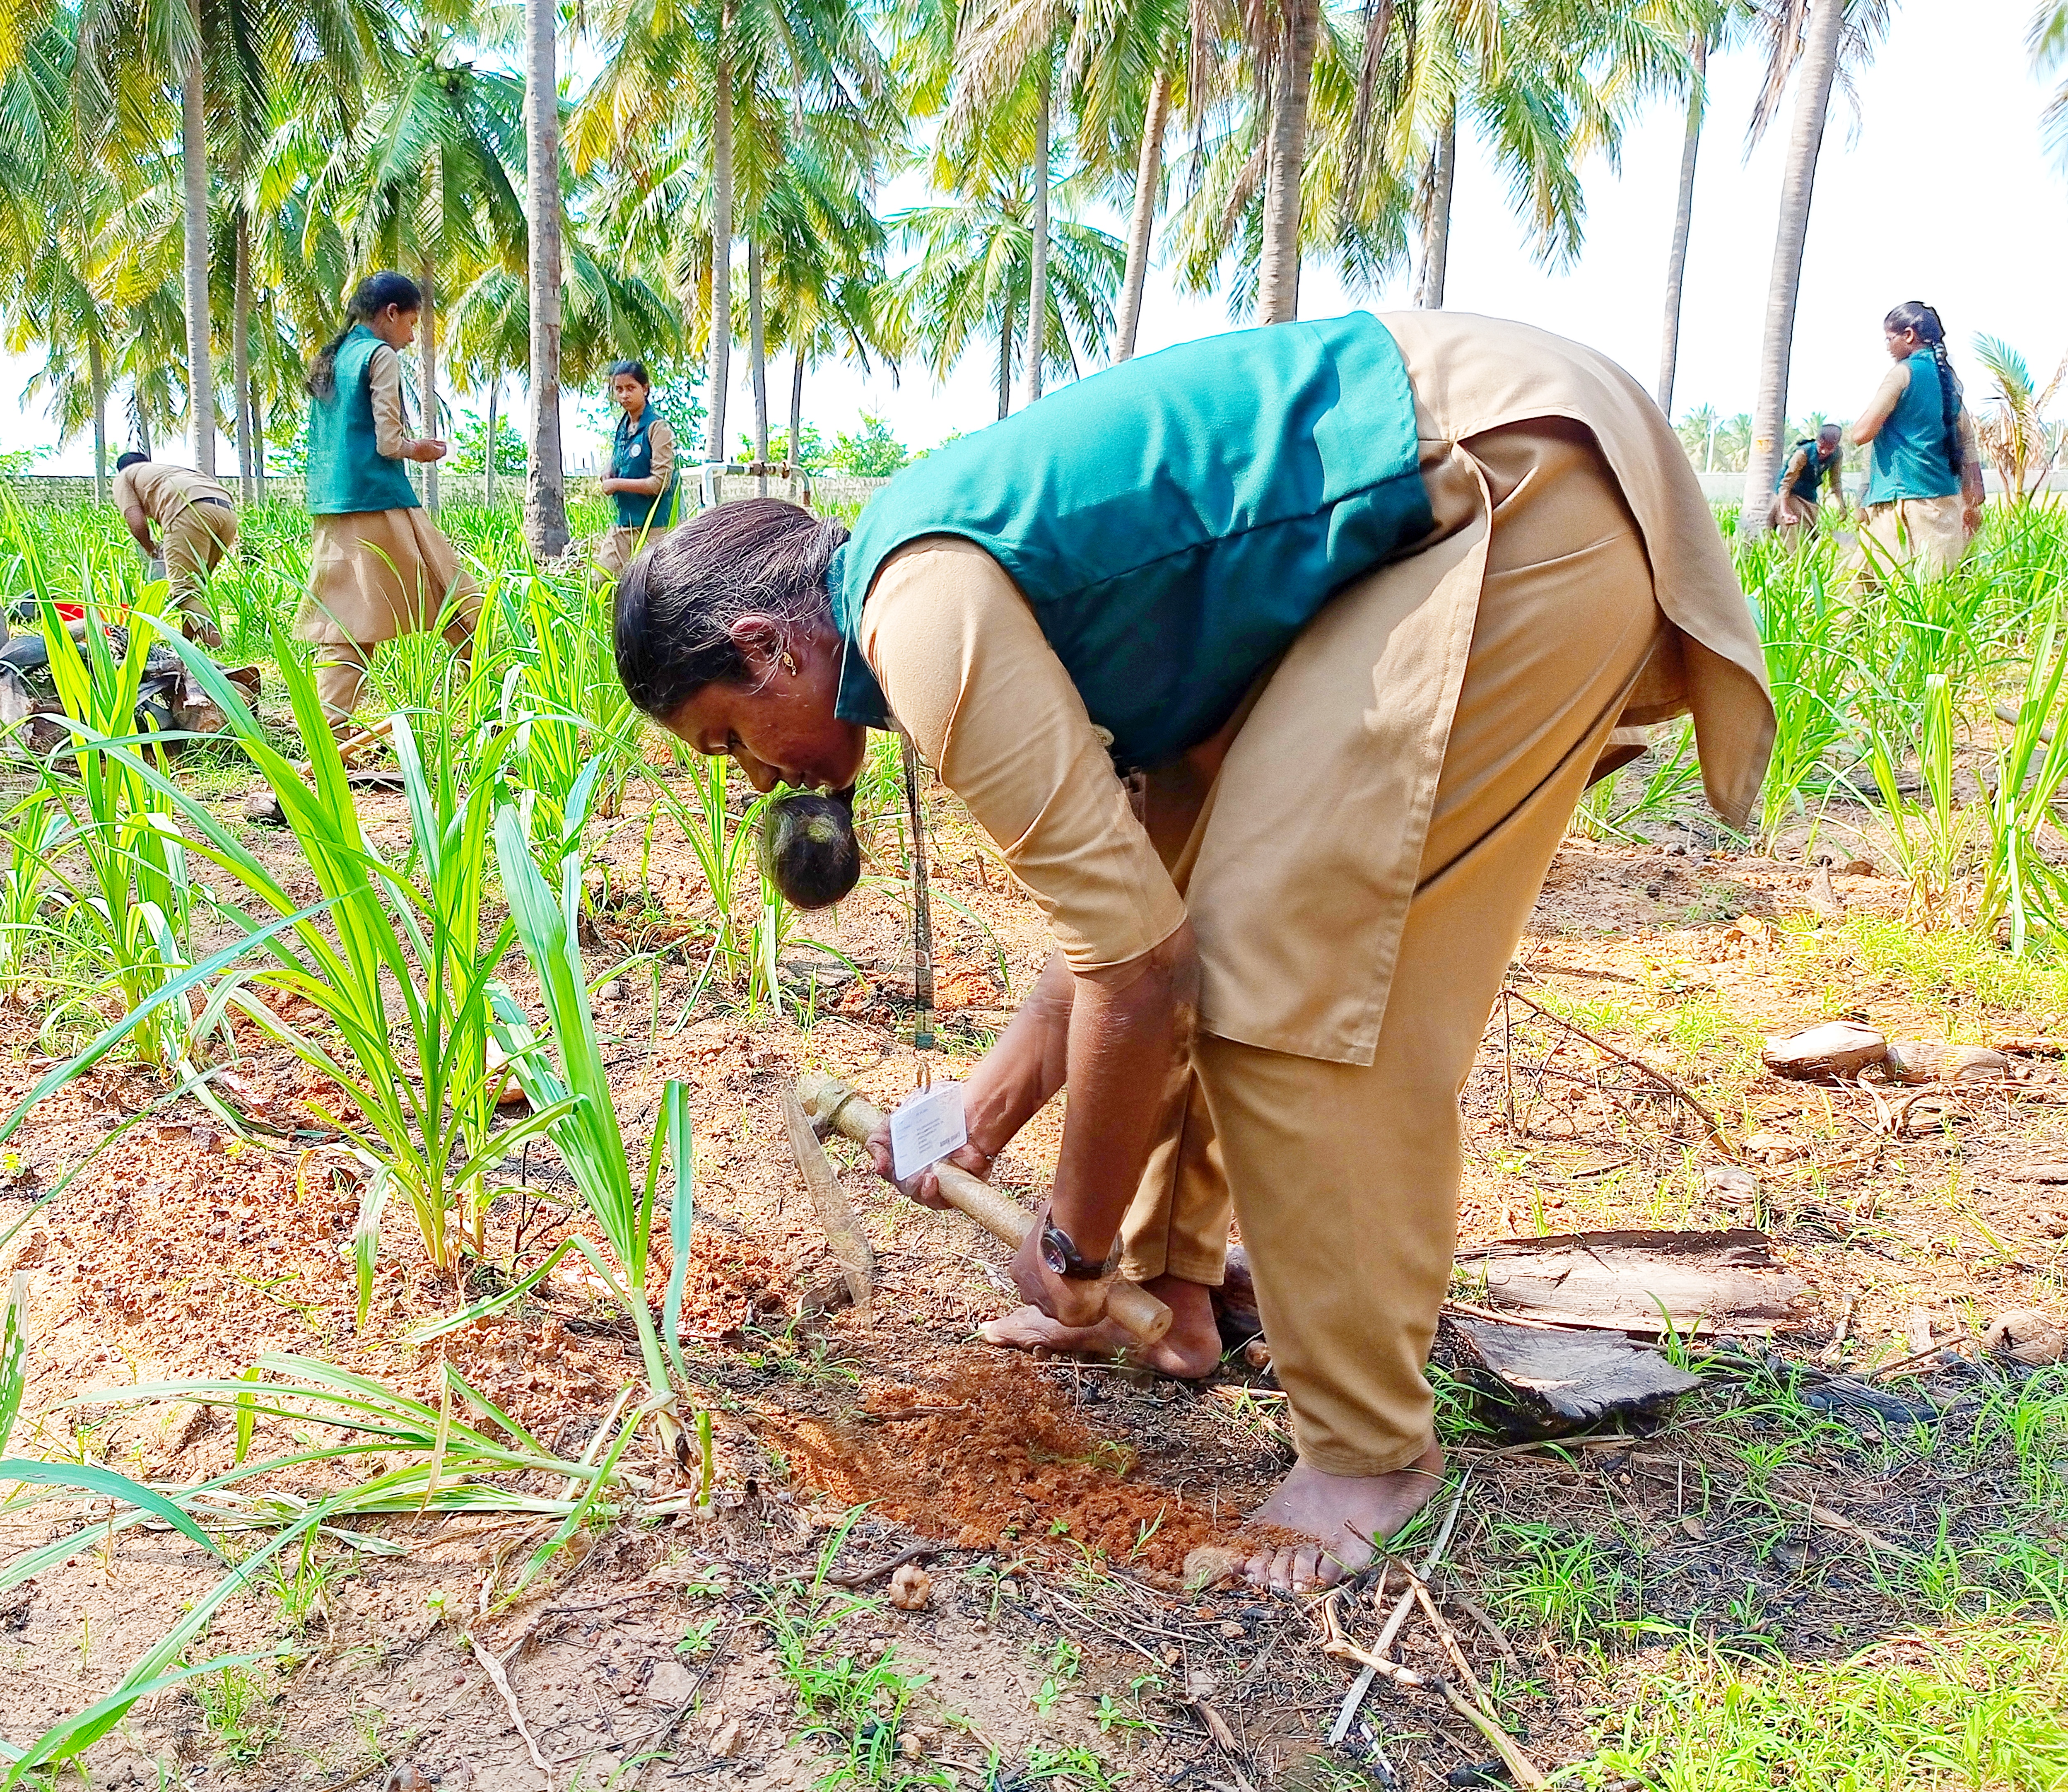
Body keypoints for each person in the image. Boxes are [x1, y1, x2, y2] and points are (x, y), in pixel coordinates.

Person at [612, 311, 1776, 1594]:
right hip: (1491, 468)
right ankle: (1174, 1302)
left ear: (765, 646)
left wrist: (1070, 1243)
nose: (753, 775)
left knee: (1294, 961)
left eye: (729, 738)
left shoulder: (918, 615)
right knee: (1222, 905)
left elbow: (1137, 975)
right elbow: (1136, 909)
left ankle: (1364, 1452)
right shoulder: (937, 590)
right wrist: (983, 1118)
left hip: (1509, 481)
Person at [296, 270, 481, 736]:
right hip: (381, 503)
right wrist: (419, 449)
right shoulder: (380, 356)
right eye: (412, 322)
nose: (412, 335)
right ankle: (494, 711)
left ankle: (327, 732)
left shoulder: (334, 358)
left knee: (347, 627)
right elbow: (387, 441)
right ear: (391, 313)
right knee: (458, 600)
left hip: (333, 509)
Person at [1849, 301, 1985, 579]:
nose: (1888, 347)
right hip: (1943, 503)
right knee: (1934, 591)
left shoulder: (1902, 374)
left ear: (1909, 336)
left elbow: (1861, 434)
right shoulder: (1948, 379)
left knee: (1872, 591)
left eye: (1890, 339)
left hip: (1904, 501)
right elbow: (1966, 436)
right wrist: (1974, 488)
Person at [112, 451, 236, 646]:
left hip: (189, 509)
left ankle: (220, 646)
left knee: (182, 591)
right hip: (227, 511)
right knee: (195, 587)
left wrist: (150, 548)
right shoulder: (163, 471)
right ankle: (187, 644)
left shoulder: (125, 475)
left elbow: (135, 521)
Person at [595, 361, 680, 580]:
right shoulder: (623, 427)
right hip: (624, 525)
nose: (624, 395)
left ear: (645, 389)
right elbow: (618, 458)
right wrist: (609, 470)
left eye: (631, 388)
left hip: (654, 529)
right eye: (619, 389)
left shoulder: (657, 428)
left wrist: (617, 485)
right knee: (601, 583)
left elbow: (659, 483)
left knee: (649, 592)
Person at [1768, 424, 1846, 535]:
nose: (1824, 452)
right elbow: (1786, 484)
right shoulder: (1802, 453)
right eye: (1822, 447)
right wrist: (1785, 511)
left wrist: (1841, 505)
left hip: (1809, 495)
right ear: (1817, 441)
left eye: (1830, 448)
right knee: (1793, 529)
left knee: (1809, 532)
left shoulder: (1837, 454)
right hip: (1790, 494)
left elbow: (1836, 481)